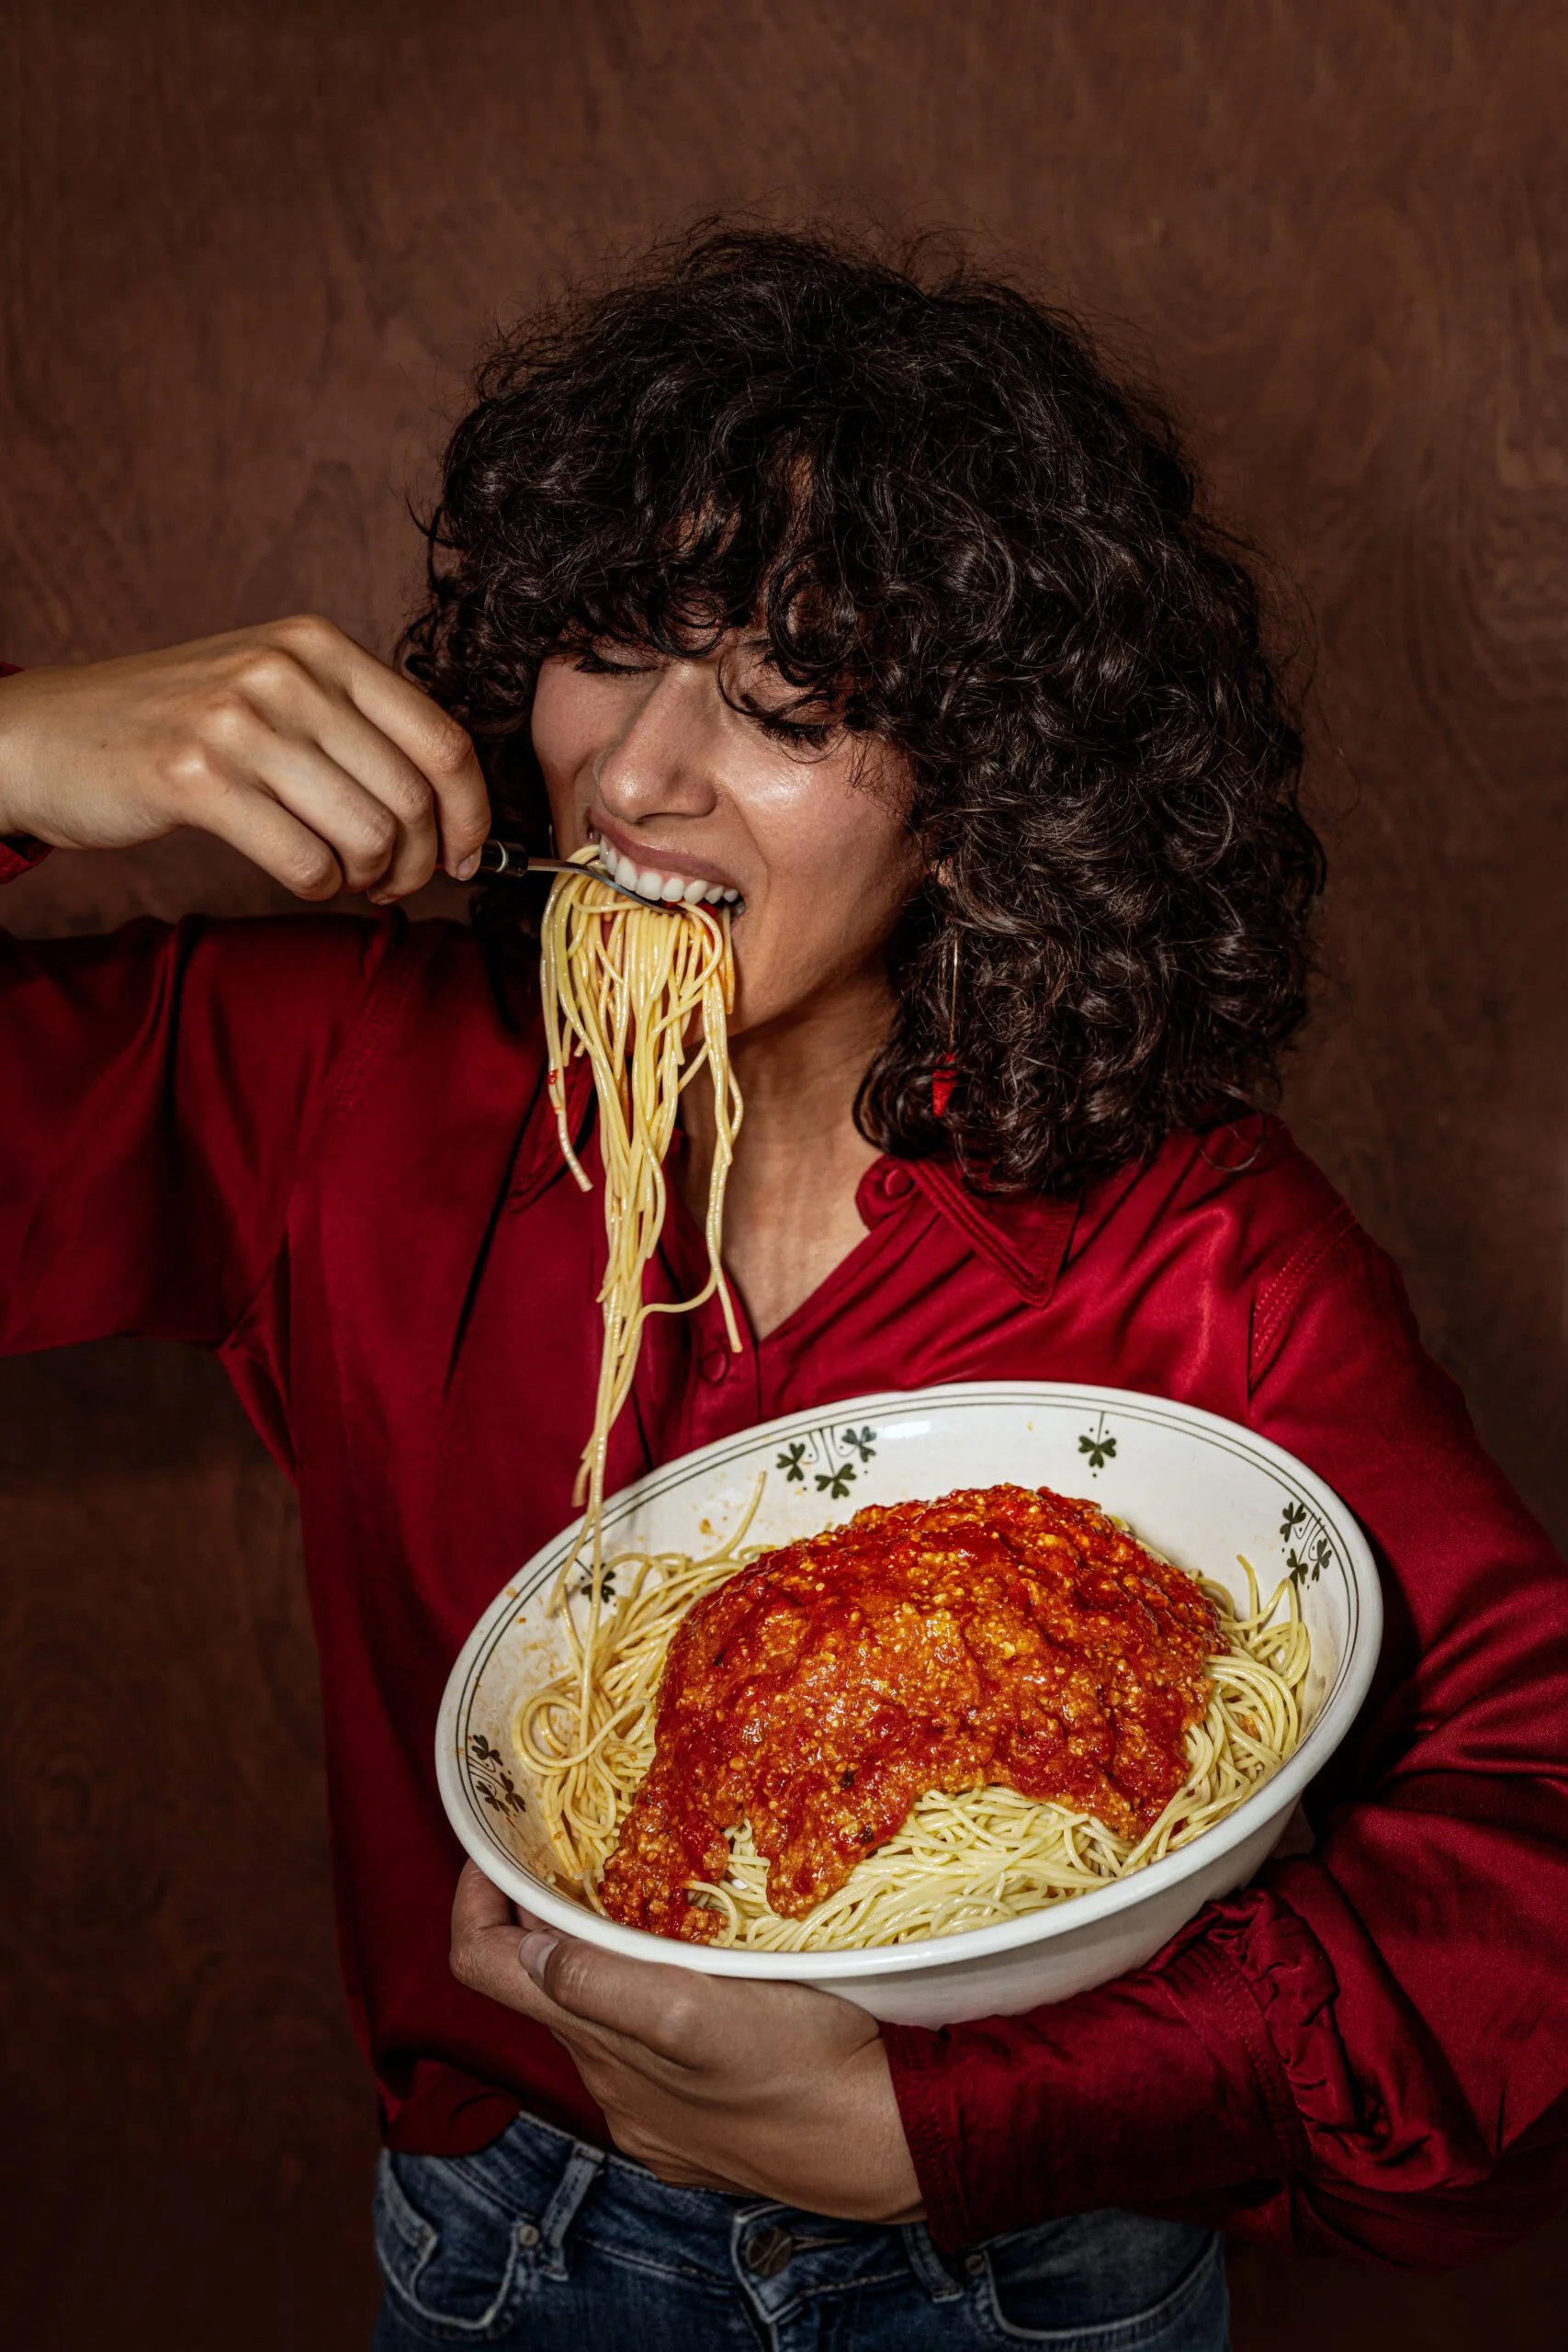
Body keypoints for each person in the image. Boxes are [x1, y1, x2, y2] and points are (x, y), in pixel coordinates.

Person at [1, 227, 1563, 2352]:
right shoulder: (341, 1078)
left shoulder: (1197, 1250)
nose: (639, 773)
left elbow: (1534, 1862)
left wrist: (963, 2118)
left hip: (1026, 2273)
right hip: (501, 2246)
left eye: (793, 703)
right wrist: (3, 756)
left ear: (984, 785)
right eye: (611, 643)